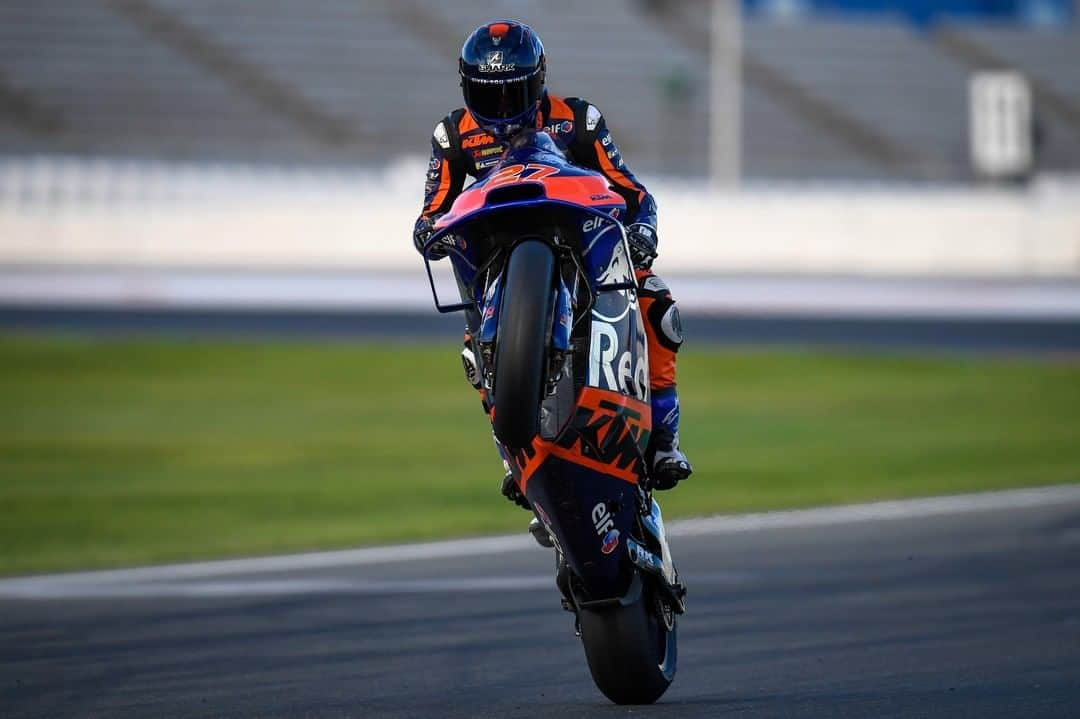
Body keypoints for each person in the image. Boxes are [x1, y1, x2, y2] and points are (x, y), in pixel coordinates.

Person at [412, 20, 692, 504]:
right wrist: (429, 233)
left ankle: (665, 437)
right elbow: (433, 209)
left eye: (513, 93)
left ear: (538, 83)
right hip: (495, 255)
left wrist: (643, 230)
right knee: (471, 348)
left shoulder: (578, 120)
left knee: (656, 303)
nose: (501, 109)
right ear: (466, 87)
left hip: (576, 242)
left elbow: (630, 191)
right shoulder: (451, 135)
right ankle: (511, 453)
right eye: (487, 94)